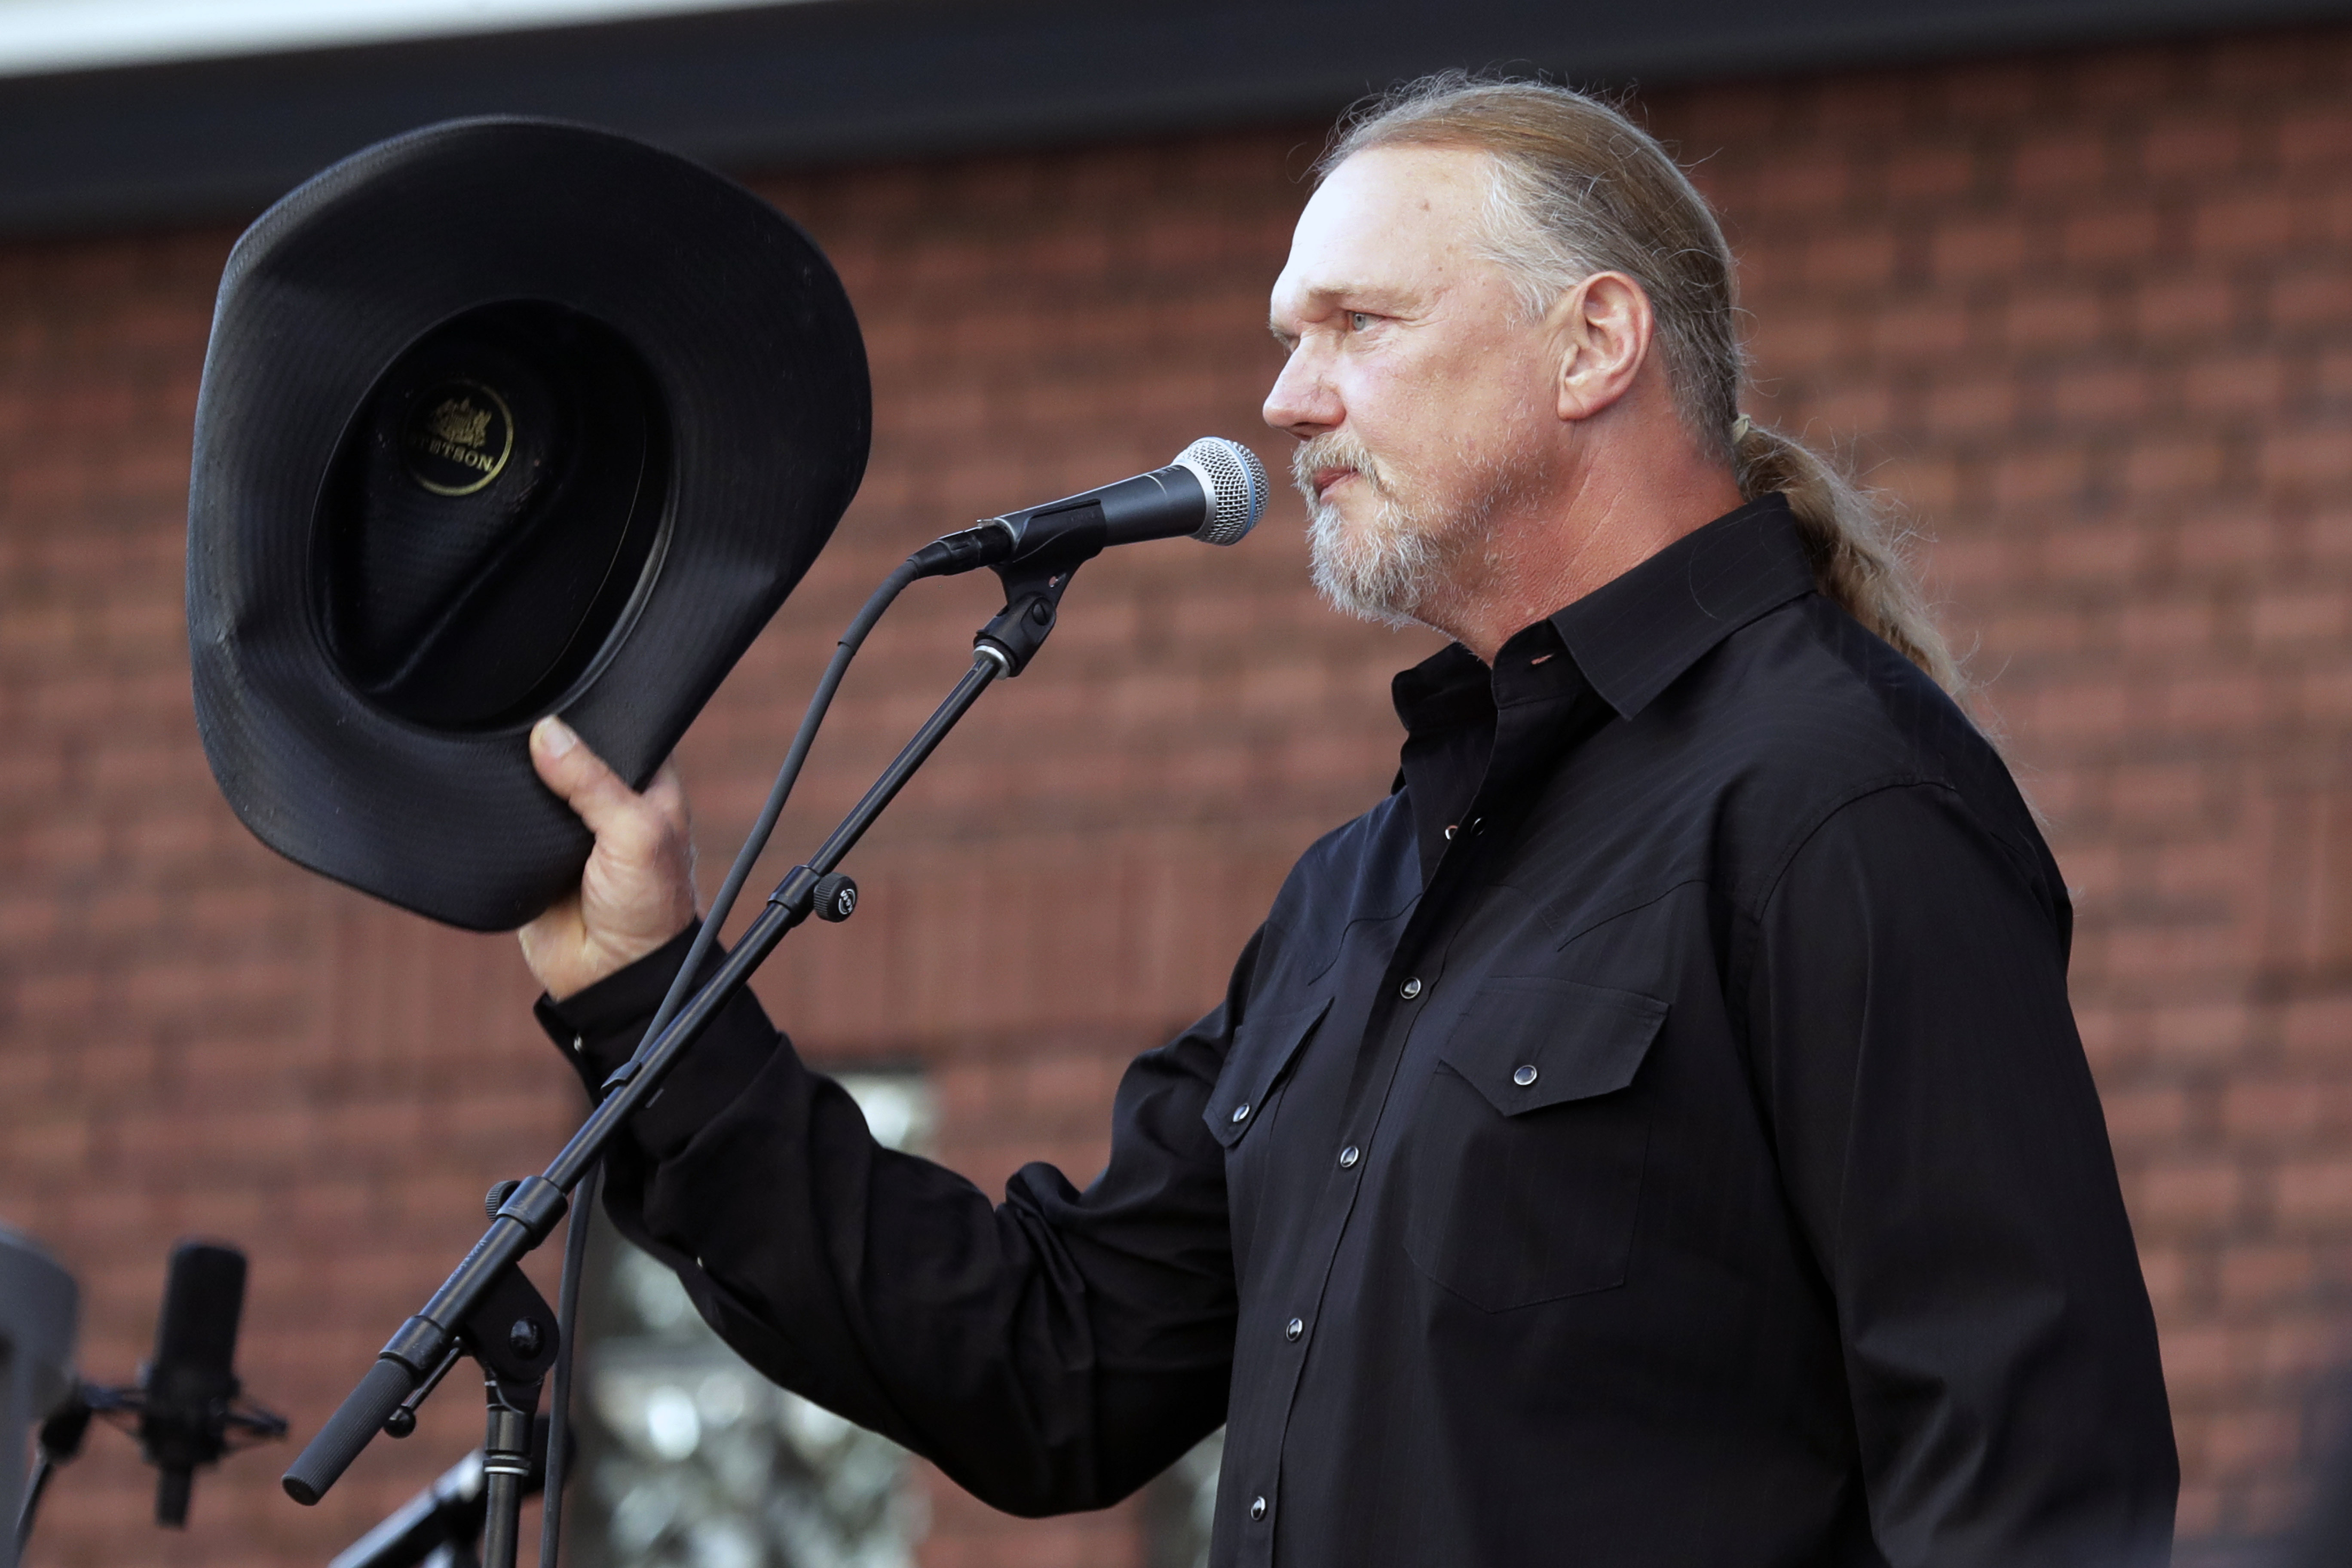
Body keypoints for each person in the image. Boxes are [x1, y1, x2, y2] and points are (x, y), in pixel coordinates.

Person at [519, 76, 2177, 1566]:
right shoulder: (1364, 892)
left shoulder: (1837, 799)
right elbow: (1052, 1358)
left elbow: (2031, 1483)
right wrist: (653, 996)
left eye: (1356, 324)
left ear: (1593, 345)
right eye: (1289, 337)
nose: (1289, 400)